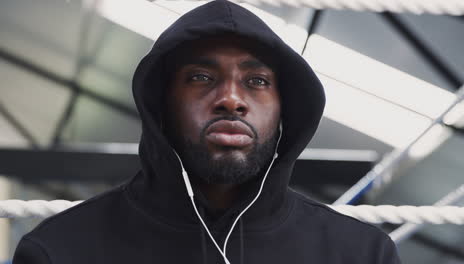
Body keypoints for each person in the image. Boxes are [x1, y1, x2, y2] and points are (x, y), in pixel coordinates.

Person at [13, 0, 401, 263]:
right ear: (161, 103)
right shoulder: (61, 250)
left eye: (257, 81)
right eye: (201, 77)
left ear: (286, 107)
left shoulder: (360, 254)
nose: (231, 99)